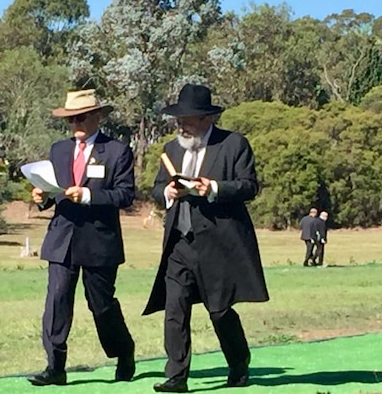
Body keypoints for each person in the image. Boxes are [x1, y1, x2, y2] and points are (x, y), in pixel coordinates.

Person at [144, 83, 269, 393]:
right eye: (179, 119)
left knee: (220, 310)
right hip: (179, 243)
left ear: (205, 119)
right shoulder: (171, 149)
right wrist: (167, 193)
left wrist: (213, 188)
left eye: (187, 119)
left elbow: (249, 186)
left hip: (219, 244)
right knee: (175, 308)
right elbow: (157, 189)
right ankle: (176, 376)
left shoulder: (234, 144)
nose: (181, 125)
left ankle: (239, 362)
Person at [26, 89, 136, 386]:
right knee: (57, 300)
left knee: (100, 304)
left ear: (97, 117)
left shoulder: (117, 151)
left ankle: (123, 351)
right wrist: (41, 198)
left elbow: (125, 195)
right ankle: (55, 366)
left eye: (81, 117)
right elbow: (52, 193)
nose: (75, 122)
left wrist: (87, 195)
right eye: (70, 118)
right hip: (62, 238)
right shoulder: (58, 150)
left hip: (100, 241)